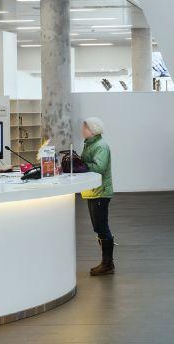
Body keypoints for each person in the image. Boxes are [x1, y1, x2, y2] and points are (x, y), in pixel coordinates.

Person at [80, 117, 115, 276]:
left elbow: (99, 167)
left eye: (85, 128)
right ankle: (106, 263)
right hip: (94, 192)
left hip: (100, 192)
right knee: (98, 227)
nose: (82, 130)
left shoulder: (100, 146)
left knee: (102, 227)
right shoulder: (90, 144)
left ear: (93, 130)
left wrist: (81, 165)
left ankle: (108, 264)